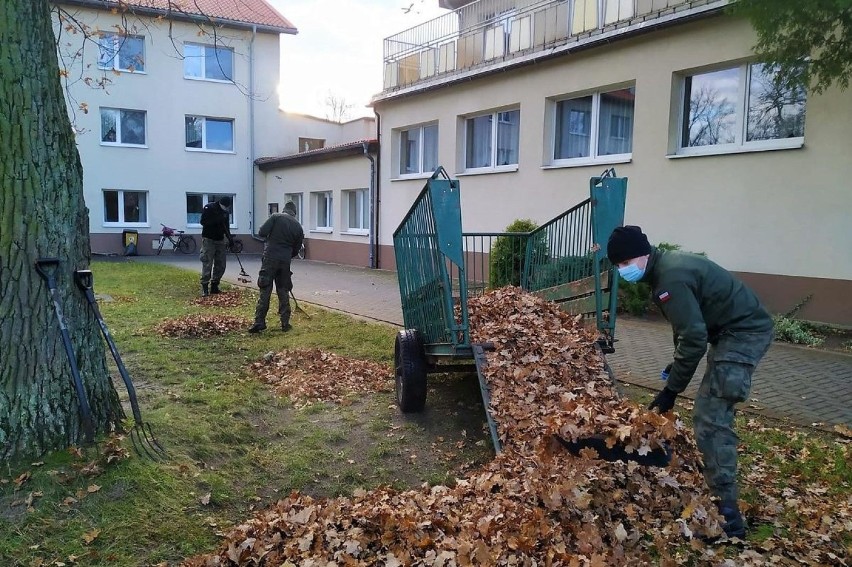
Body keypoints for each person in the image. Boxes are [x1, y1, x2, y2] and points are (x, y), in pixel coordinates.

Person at [607, 225, 774, 540]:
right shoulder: (665, 268)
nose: (622, 270)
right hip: (729, 332)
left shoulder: (670, 279)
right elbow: (687, 327)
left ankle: (729, 520)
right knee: (709, 413)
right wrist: (676, 362)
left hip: (742, 334)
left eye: (625, 262)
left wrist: (671, 391)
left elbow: (694, 338)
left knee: (710, 418)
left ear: (643, 253)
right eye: (617, 265)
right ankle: (723, 504)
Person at [248, 201, 304, 333]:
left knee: (265, 288)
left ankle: (259, 321)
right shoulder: (298, 226)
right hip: (285, 260)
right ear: (294, 213)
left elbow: (262, 232)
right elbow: (296, 249)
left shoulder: (275, 217)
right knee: (283, 289)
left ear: (284, 210)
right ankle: (285, 323)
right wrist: (287, 255)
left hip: (270, 257)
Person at [199, 195, 234, 296]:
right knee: (207, 263)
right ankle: (205, 286)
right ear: (221, 203)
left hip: (220, 240)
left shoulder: (225, 212)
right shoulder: (209, 208)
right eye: (225, 206)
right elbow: (203, 222)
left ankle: (215, 285)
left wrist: (230, 238)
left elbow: (226, 227)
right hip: (208, 239)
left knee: (221, 264)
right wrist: (215, 221)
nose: (226, 208)